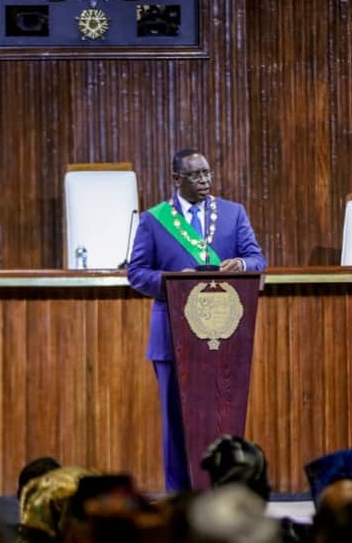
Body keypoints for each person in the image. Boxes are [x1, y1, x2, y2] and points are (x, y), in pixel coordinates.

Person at [127, 149, 266, 492]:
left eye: (208, 173)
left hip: (225, 335)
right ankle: (179, 499)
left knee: (223, 417)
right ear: (177, 179)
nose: (205, 181)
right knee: (176, 423)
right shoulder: (154, 220)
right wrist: (175, 282)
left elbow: (257, 258)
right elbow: (136, 273)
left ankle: (226, 492)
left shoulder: (234, 214)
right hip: (173, 337)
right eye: (196, 175)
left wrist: (244, 265)